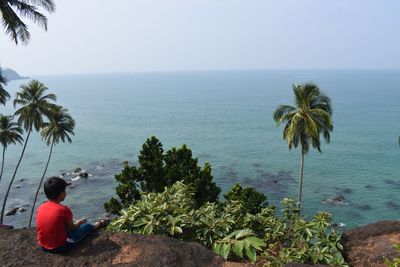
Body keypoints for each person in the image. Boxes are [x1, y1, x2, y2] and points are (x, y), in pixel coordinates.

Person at [36, 176, 109, 253]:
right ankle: (99, 224)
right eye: (64, 190)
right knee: (86, 226)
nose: (65, 192)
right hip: (60, 246)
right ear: (61, 194)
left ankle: (98, 223)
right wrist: (79, 222)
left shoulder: (41, 207)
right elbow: (73, 228)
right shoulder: (64, 209)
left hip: (43, 246)